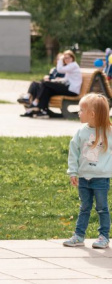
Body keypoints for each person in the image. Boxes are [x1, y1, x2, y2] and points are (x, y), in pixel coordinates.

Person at [63, 93, 112, 248]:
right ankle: (79, 235)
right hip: (84, 177)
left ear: (92, 114)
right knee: (84, 207)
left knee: (102, 208)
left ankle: (104, 237)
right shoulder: (80, 132)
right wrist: (73, 172)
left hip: (101, 179)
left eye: (81, 110)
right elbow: (73, 152)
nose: (79, 113)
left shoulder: (109, 132)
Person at [26, 50, 82, 118]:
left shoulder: (73, 65)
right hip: (68, 88)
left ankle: (36, 102)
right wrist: (56, 80)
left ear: (72, 58)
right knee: (46, 89)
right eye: (65, 58)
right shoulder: (70, 66)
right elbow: (66, 79)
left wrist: (61, 59)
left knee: (45, 83)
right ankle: (43, 111)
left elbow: (59, 69)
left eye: (68, 58)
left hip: (72, 90)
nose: (66, 59)